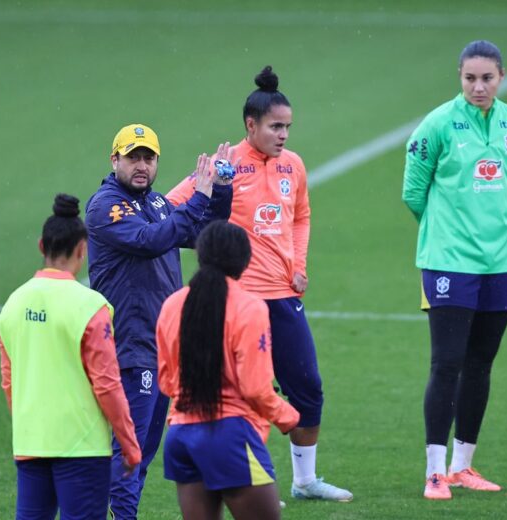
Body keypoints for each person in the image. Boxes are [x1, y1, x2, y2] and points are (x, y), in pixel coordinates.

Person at [168, 66, 353, 502]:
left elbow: (302, 216)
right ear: (250, 125)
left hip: (284, 296)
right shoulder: (225, 165)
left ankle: (305, 481)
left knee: (307, 386)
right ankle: (240, 477)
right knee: (238, 391)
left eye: (287, 126)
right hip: (234, 301)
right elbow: (175, 204)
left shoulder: (294, 166)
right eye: (275, 126)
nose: (283, 134)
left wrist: (299, 263)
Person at [401, 40, 507, 499]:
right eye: (470, 78)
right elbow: (413, 191)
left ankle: (463, 466)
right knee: (447, 363)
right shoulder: (437, 124)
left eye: (487, 78)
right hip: (449, 261)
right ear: (459, 76)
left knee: (480, 365)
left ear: (501, 77)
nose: (478, 86)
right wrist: (444, 232)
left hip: (504, 260)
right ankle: (435, 471)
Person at [86, 124, 233, 519]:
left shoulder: (157, 205)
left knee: (143, 449)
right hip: (130, 345)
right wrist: (199, 195)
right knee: (130, 448)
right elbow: (153, 240)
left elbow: (207, 235)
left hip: (161, 346)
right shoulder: (106, 206)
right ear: (114, 160)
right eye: (133, 157)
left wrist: (219, 190)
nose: (141, 165)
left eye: (148, 158)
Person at [0, 194, 142, 519]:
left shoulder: (12, 305)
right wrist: (129, 443)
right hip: (82, 447)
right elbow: (107, 384)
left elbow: (9, 381)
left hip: (31, 442)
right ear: (82, 249)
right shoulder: (92, 306)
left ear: (40, 246)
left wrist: (29, 424)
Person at [156, 221, 300, 520]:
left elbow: (166, 380)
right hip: (230, 436)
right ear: (244, 260)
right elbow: (255, 388)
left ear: (201, 255)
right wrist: (287, 416)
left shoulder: (172, 305)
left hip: (181, 435)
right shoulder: (249, 307)